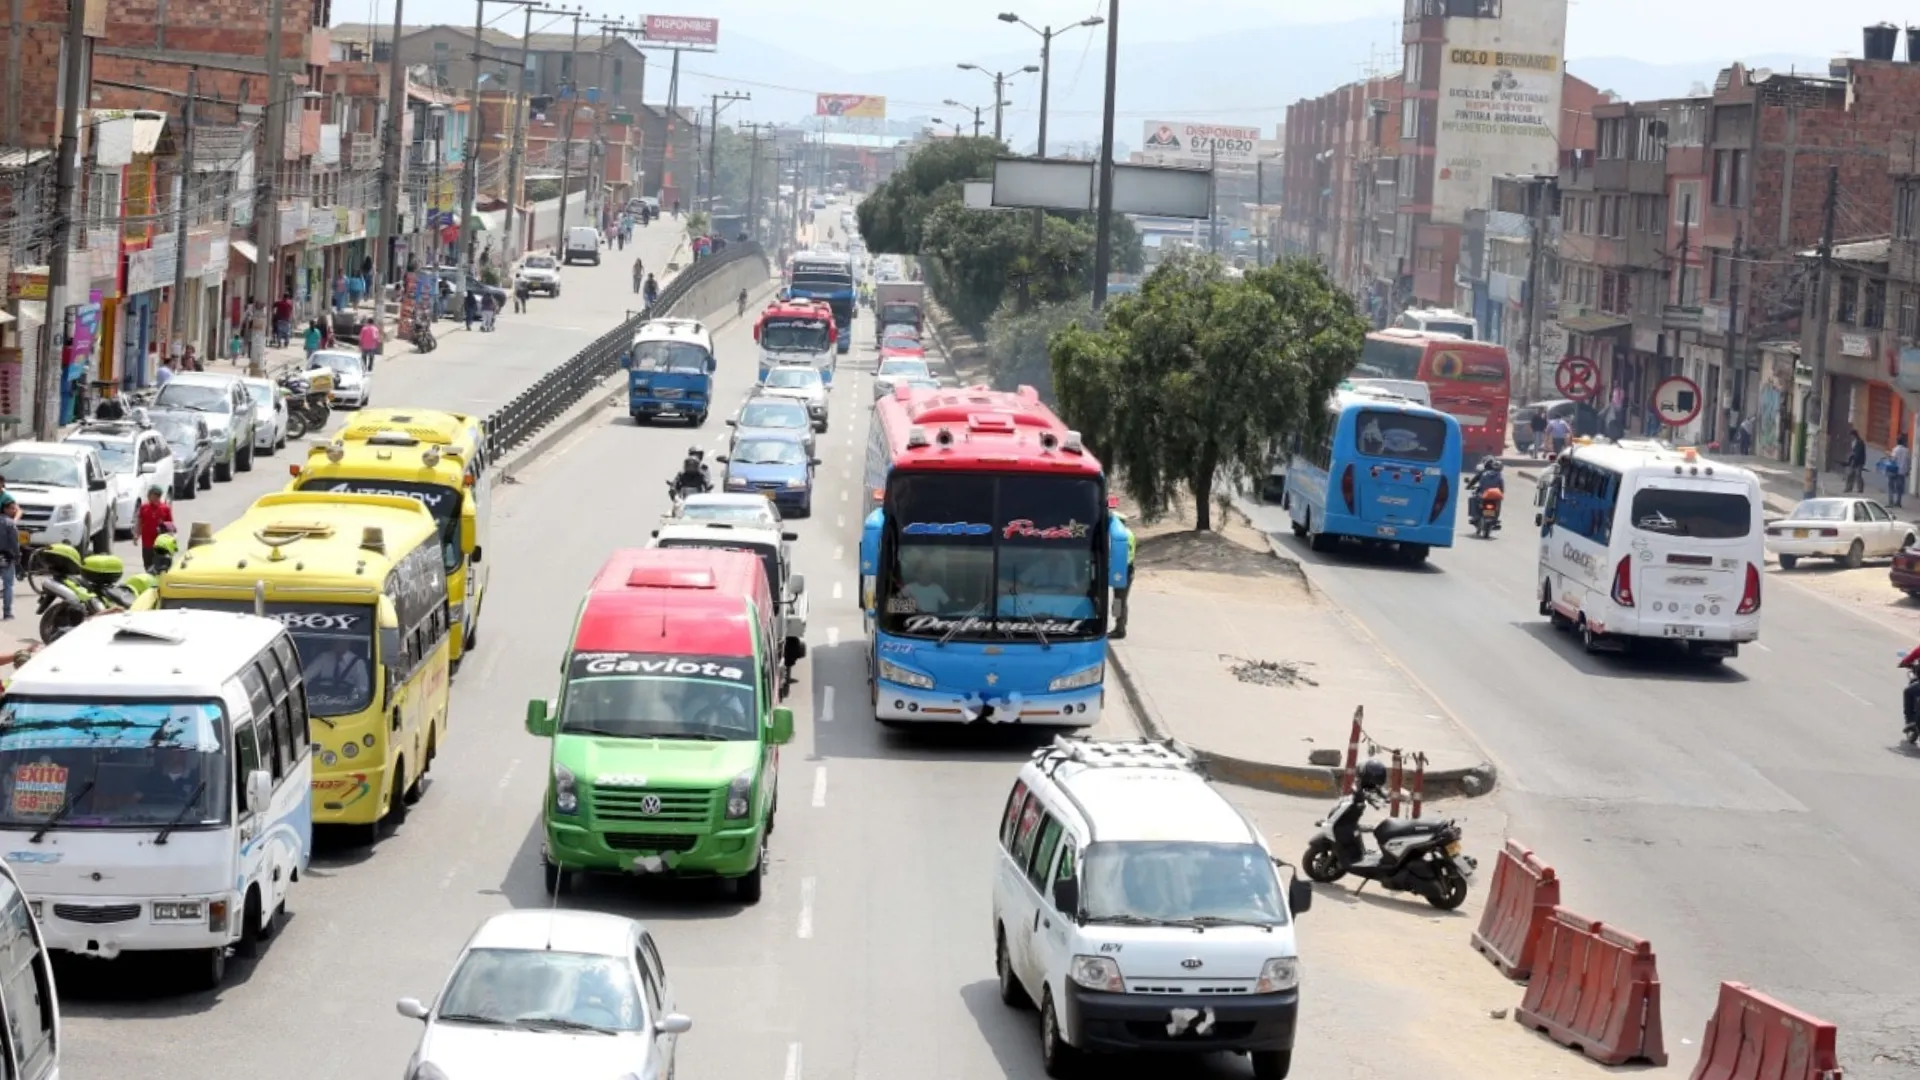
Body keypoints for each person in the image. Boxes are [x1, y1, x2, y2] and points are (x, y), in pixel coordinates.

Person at [306, 637, 371, 703]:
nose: (338, 643)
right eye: (336, 641)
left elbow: (363, 689)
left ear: (348, 642)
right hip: (323, 700)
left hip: (346, 704)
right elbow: (306, 676)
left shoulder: (358, 663)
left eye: (342, 641)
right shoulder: (324, 657)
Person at [136, 486, 175, 574]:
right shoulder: (144, 507)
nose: (151, 498)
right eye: (150, 495)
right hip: (147, 542)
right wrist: (136, 535)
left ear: (158, 496)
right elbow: (139, 522)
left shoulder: (165, 509)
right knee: (147, 565)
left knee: (160, 565)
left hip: (160, 543)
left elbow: (170, 526)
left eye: (155, 496)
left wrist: (170, 538)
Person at [1111, 511, 1136, 638]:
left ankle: (1119, 629)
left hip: (1122, 570)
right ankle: (1119, 626)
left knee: (1119, 600)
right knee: (1120, 600)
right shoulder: (1129, 533)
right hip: (1126, 569)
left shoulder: (1121, 536)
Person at [0, 477, 17, 620]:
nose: (14, 510)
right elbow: (14, 543)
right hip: (6, 556)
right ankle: (7, 612)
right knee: (8, 585)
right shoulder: (10, 524)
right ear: (5, 509)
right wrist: (17, 556)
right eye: (12, 508)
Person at [1892, 435, 1911, 509]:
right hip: (1902, 471)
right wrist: (1908, 470)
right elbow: (1908, 461)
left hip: (1895, 470)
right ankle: (1898, 501)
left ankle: (1894, 501)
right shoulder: (1906, 450)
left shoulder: (1895, 449)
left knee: (1894, 486)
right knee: (1900, 487)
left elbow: (1893, 459)